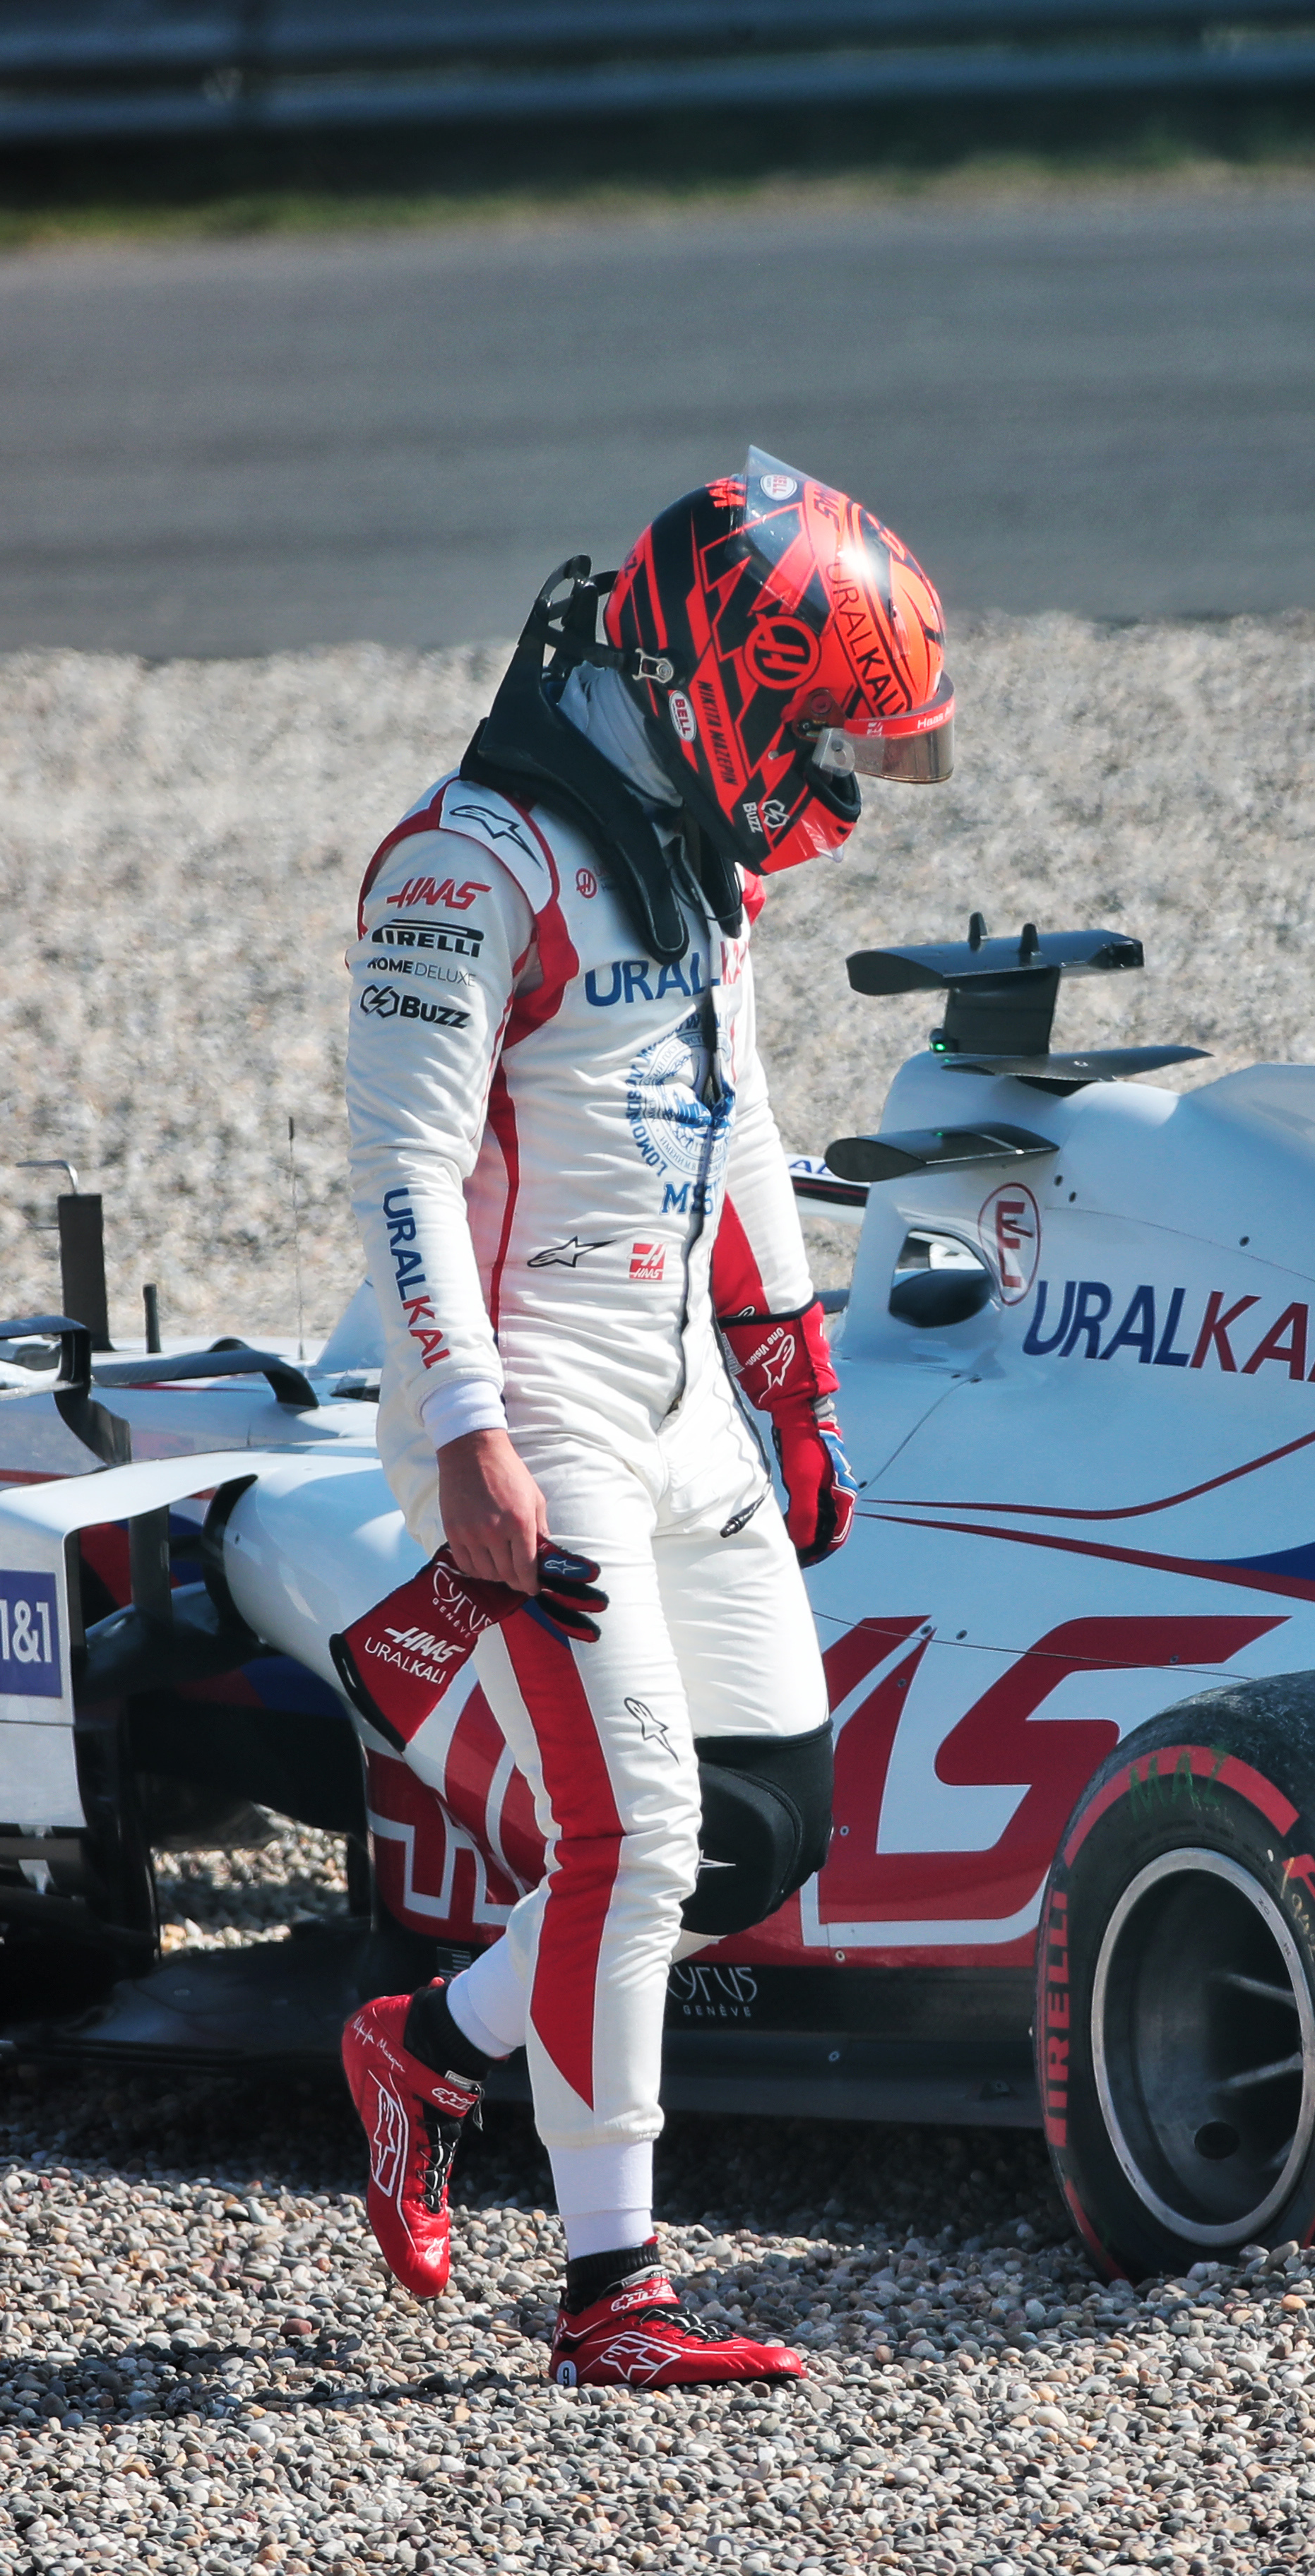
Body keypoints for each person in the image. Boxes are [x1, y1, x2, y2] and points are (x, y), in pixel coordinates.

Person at [333, 453, 954, 2389]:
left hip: (680, 1395)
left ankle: (425, 2049)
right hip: (533, 1411)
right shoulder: (465, 864)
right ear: (728, 687)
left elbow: (744, 1118)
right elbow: (405, 1174)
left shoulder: (692, 847)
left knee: (764, 1825)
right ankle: (614, 2298)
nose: (836, 779)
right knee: (638, 1827)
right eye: (824, 728)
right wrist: (465, 1437)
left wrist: (792, 1373)